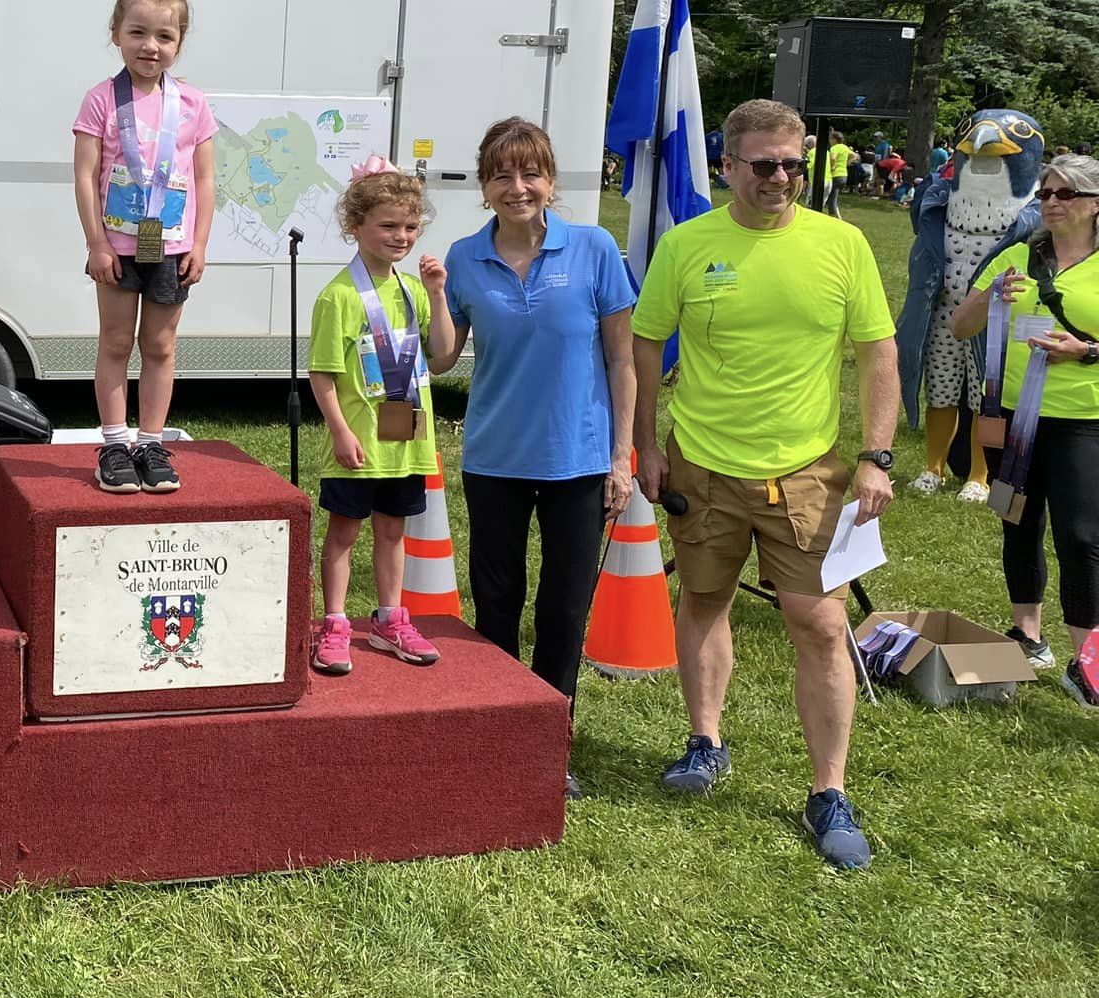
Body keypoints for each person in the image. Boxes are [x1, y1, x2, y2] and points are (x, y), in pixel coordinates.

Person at [633, 98, 898, 870]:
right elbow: (646, 345)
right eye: (763, 164)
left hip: (807, 471)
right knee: (703, 600)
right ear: (727, 166)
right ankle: (705, 741)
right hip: (703, 465)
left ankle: (829, 791)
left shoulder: (842, 244)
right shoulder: (687, 245)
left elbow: (878, 353)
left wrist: (877, 456)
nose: (780, 177)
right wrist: (644, 443)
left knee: (819, 624)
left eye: (792, 163)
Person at [441, 119, 636, 797]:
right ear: (484, 185)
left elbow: (622, 360)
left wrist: (621, 456)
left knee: (562, 608)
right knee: (496, 602)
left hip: (577, 459)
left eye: (530, 173)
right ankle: (501, 735)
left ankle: (550, 745)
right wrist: (431, 296)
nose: (517, 187)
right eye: (502, 175)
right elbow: (442, 359)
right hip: (494, 456)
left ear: (550, 181)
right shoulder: (464, 257)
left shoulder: (594, 248)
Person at [951, 153, 1099, 701]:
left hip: (1083, 420)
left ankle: (1086, 660)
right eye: (1046, 193)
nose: (1052, 203)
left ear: (1095, 204)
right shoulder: (1017, 255)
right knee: (1017, 520)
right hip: (1014, 416)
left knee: (1081, 537)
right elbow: (960, 325)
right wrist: (991, 295)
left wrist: (1085, 351)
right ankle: (1028, 634)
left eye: (1066, 194)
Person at [307, 161, 456, 675]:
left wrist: (437, 293)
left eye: (411, 227)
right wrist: (340, 431)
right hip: (359, 443)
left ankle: (390, 619)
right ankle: (334, 623)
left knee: (393, 532)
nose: (402, 236)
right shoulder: (339, 296)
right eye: (388, 225)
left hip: (406, 442)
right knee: (344, 534)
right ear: (356, 225)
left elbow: (442, 354)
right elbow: (322, 374)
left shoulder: (413, 289)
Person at [73, 0, 218, 494]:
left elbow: (205, 178)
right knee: (115, 341)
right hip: (116, 248)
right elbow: (85, 175)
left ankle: (152, 443)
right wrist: (96, 243)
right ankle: (115, 443)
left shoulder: (194, 104)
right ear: (115, 33)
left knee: (159, 345)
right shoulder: (100, 100)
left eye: (164, 36)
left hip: (172, 247)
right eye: (137, 32)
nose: (150, 46)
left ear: (179, 42)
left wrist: (199, 243)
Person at [824, 128, 854, 216]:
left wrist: (832, 166)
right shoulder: (845, 147)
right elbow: (854, 155)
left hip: (835, 175)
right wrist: (847, 163)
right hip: (844, 175)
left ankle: (834, 217)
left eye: (830, 139)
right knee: (833, 197)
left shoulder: (834, 148)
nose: (829, 141)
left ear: (834, 139)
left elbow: (833, 158)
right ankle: (836, 216)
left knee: (832, 200)